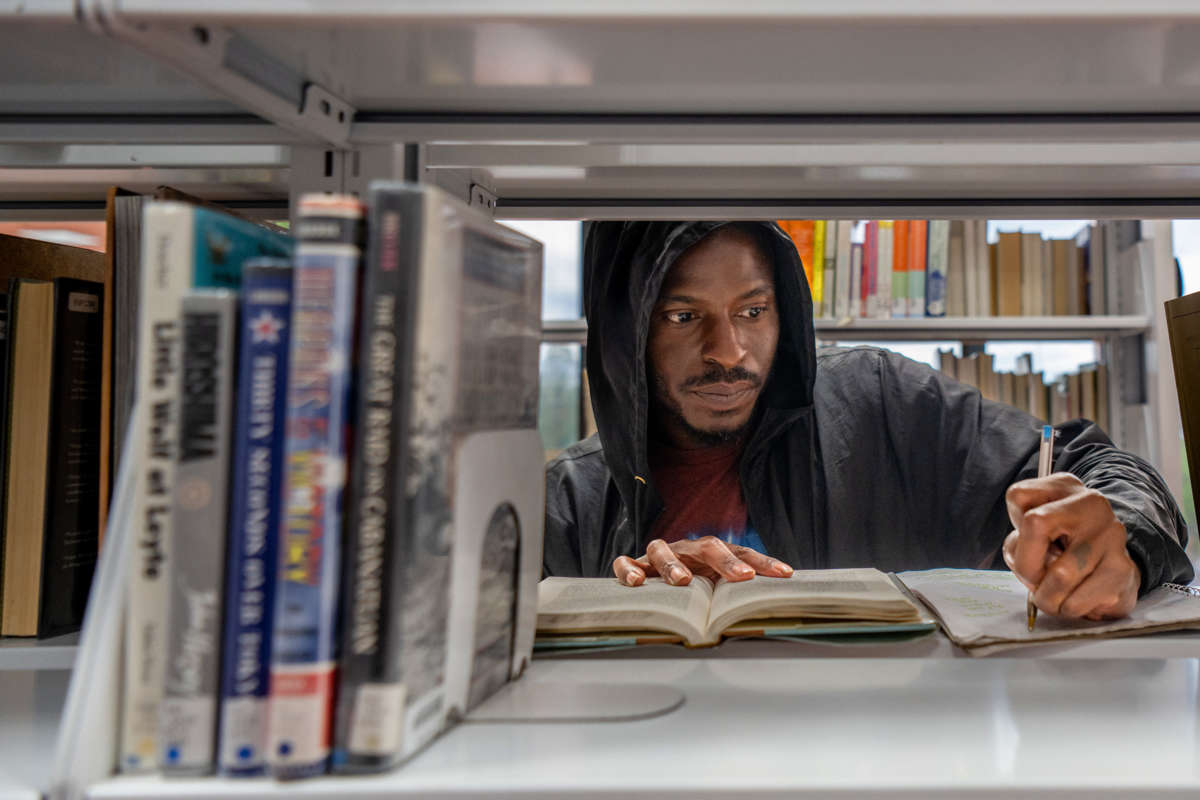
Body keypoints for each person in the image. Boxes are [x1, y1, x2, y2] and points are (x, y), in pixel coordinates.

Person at [543, 221, 1194, 620]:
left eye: (752, 311)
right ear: (628, 335)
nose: (729, 353)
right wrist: (623, 604)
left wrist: (1121, 540)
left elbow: (1098, 467)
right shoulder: (569, 502)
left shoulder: (880, 401)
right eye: (683, 316)